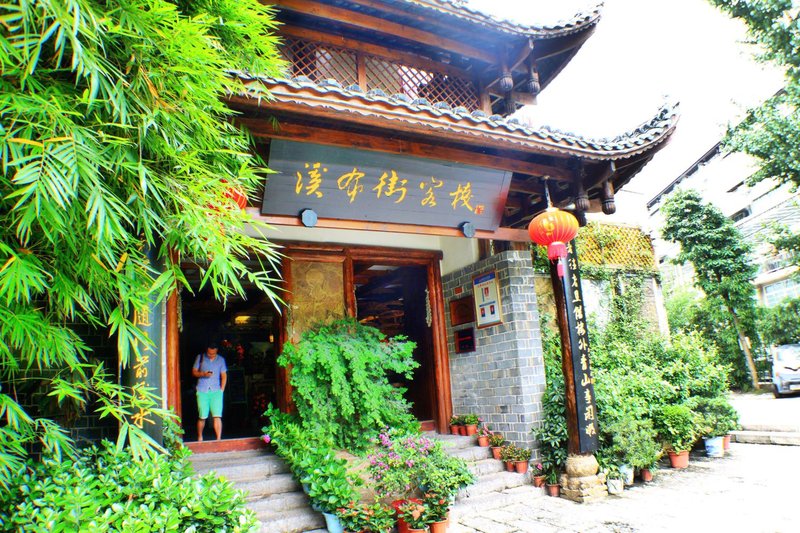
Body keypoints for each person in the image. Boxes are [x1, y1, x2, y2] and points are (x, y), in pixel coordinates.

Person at [192, 342, 227, 441]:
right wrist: (203, 374)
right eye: (209, 353)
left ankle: (218, 439)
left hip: (216, 391)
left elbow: (224, 375)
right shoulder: (200, 357)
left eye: (213, 353)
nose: (211, 355)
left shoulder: (221, 360)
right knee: (202, 416)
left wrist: (222, 390)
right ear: (206, 350)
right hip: (202, 390)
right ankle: (200, 437)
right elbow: (194, 372)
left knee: (217, 416)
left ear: (217, 351)